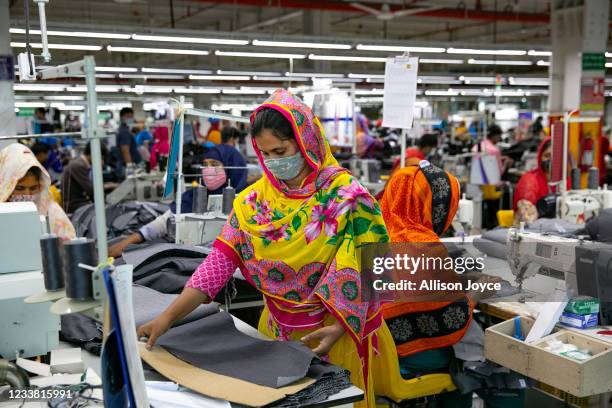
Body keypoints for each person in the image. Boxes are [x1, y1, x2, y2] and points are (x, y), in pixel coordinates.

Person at [136, 89, 393, 407]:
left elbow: (376, 267)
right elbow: (217, 266)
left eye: (281, 151)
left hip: (334, 335)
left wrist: (340, 328)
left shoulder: (348, 196)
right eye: (265, 153)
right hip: (275, 334)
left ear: (306, 142)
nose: (273, 162)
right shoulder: (253, 203)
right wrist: (168, 317)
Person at [373, 161, 509, 406]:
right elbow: (452, 318)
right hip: (413, 355)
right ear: (433, 205)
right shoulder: (421, 243)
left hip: (376, 354)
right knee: (496, 362)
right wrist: (478, 293)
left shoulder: (373, 232)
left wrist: (458, 280)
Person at [107, 144, 249, 257]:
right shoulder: (194, 196)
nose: (208, 170)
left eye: (215, 164)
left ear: (232, 166)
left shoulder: (248, 201)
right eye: (205, 164)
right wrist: (126, 243)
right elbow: (160, 224)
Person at [0, 143, 75, 240]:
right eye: (19, 188)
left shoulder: (51, 212)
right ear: (5, 186)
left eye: (33, 188)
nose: (27, 195)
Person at [513, 138, 552, 224]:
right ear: (540, 157)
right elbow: (528, 218)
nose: (551, 160)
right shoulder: (529, 181)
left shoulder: (565, 181)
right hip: (531, 231)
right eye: (547, 155)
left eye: (556, 156)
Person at [61, 144, 95, 214]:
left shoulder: (80, 163)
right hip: (74, 205)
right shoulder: (78, 165)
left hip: (79, 201)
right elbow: (91, 189)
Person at [116, 107, 141, 173]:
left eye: (131, 117)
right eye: (127, 116)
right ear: (121, 117)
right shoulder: (124, 132)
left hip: (124, 164)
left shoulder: (125, 129)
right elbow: (125, 151)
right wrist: (130, 169)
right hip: (127, 165)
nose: (130, 119)